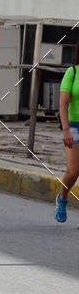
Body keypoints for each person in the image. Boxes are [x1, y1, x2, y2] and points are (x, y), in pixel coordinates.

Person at [55, 47, 79, 222]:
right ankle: (62, 197)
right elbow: (63, 104)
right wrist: (65, 130)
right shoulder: (73, 72)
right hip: (73, 126)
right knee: (73, 171)